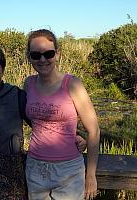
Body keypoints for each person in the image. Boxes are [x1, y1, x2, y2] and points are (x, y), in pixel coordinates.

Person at [0, 43, 87, 200]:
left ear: (3, 71)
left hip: (8, 171)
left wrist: (76, 135)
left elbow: (40, 123)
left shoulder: (16, 95)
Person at [24, 29, 100, 200]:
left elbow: (94, 130)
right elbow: (36, 120)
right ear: (29, 57)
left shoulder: (72, 84)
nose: (42, 60)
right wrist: (72, 134)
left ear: (57, 54)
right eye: (36, 55)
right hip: (35, 168)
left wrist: (91, 175)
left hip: (69, 171)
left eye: (48, 54)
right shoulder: (28, 83)